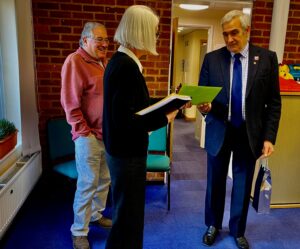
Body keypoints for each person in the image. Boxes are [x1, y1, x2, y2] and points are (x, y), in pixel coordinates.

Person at [197, 10, 281, 249]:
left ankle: (238, 229)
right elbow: (203, 97)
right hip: (219, 130)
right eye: (225, 34)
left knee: (242, 185)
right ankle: (213, 225)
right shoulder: (212, 59)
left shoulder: (266, 59)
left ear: (247, 31)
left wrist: (269, 137)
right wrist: (205, 107)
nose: (229, 39)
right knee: (215, 182)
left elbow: (274, 103)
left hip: (248, 132)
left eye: (234, 33)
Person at [102, 5, 179, 249]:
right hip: (127, 154)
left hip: (121, 151)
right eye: (154, 31)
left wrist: (168, 101)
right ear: (141, 31)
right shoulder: (126, 67)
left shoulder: (121, 61)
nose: (156, 37)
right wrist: (166, 118)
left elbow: (136, 106)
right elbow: (126, 120)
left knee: (127, 215)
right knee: (129, 218)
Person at [61, 22, 112, 249]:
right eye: (98, 39)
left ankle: (95, 215)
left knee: (104, 180)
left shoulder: (104, 62)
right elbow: (70, 103)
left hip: (107, 134)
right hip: (88, 136)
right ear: (84, 41)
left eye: (106, 40)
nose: (103, 44)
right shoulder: (75, 61)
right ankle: (79, 231)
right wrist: (84, 132)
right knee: (88, 183)